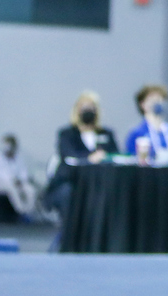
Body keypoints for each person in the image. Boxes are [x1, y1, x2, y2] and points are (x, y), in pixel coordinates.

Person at [45, 91, 120, 225]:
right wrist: (91, 158)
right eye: (83, 107)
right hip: (70, 182)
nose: (88, 110)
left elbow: (115, 156)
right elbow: (68, 155)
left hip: (100, 183)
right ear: (76, 110)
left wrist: (104, 157)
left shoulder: (106, 134)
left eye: (91, 107)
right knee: (69, 194)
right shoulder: (66, 134)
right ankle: (70, 238)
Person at [124, 84, 168, 164]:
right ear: (142, 104)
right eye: (152, 99)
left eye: (161, 99)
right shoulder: (136, 134)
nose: (157, 102)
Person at [0, 135, 37, 222]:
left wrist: (21, 180)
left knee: (30, 190)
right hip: (0, 184)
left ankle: (28, 212)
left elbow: (23, 171)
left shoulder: (19, 157)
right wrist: (12, 180)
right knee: (12, 189)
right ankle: (20, 211)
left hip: (17, 182)